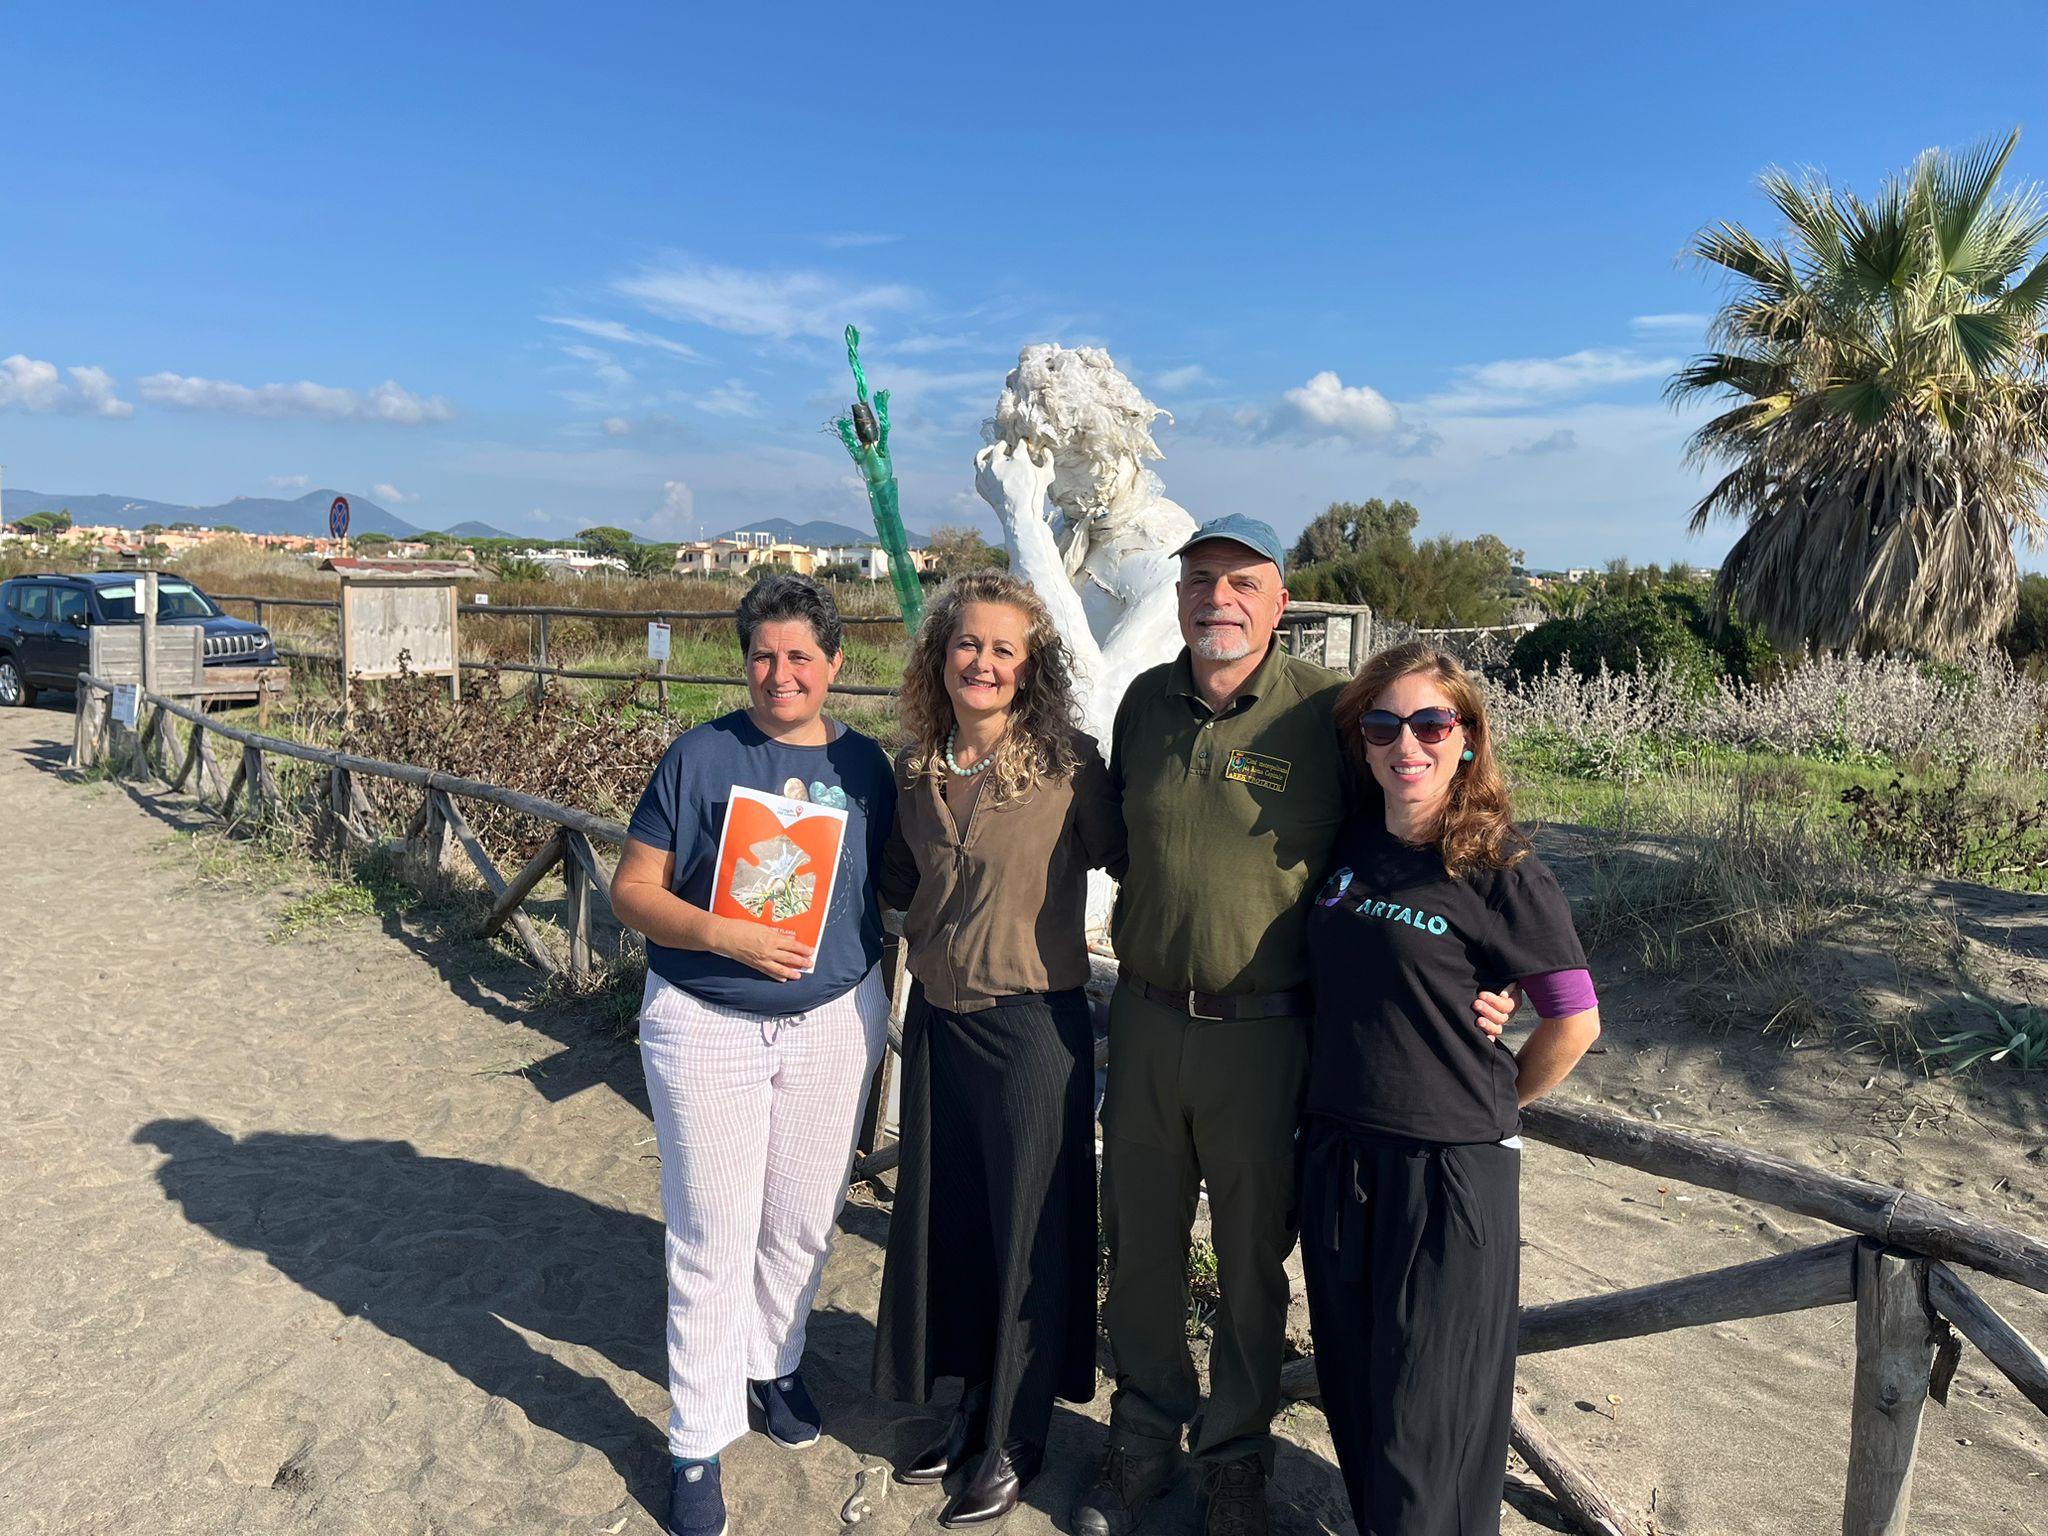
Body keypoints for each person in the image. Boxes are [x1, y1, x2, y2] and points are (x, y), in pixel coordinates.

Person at [1076, 517, 1516, 1536]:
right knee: (1136, 1244)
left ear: (1281, 603)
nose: (1214, 598)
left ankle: (1234, 1453)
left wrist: (1490, 973)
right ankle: (1141, 1432)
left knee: (1247, 1260)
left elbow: (1428, 827)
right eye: (1198, 580)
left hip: (1266, 1036)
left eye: (1241, 582)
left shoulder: (1330, 717)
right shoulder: (1143, 704)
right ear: (1177, 594)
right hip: (1140, 1017)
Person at [610, 573, 897, 1536]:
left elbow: (889, 887)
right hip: (707, 1018)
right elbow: (632, 892)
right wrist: (725, 936)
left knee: (805, 1217)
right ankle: (697, 1437)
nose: (782, 675)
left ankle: (774, 1363)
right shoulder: (698, 757)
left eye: (801, 656)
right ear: (744, 663)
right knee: (711, 1232)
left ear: (835, 664)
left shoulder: (871, 768)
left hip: (832, 1021)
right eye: (764, 656)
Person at [1302, 642, 1602, 1536]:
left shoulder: (1499, 863)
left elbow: (1575, 1019)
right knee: (1355, 1396)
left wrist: (1502, 1097)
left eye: (1432, 725)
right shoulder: (1350, 839)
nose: (1409, 746)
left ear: (1466, 738)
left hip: (1449, 1169)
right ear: (1361, 740)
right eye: (1385, 725)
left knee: (1422, 1420)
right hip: (1337, 1151)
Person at [871, 570, 1124, 1528]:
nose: (982, 661)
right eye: (967, 644)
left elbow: (1139, 860)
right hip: (938, 1021)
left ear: (1031, 666)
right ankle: (970, 1400)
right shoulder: (912, 770)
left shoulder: (1070, 765)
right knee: (956, 1227)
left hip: (1031, 1031)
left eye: (1003, 648)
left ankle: (1016, 1436)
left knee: (1027, 1235)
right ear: (941, 658)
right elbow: (890, 881)